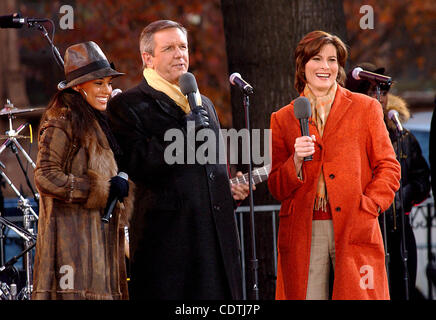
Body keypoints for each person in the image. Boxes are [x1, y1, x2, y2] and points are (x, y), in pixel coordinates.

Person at [107, 20, 250, 300]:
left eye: (183, 46)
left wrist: (230, 193)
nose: (179, 54)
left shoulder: (203, 103)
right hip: (167, 249)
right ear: (147, 58)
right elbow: (137, 164)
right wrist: (184, 132)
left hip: (215, 244)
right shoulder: (128, 105)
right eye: (169, 48)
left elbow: (211, 169)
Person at [268, 30, 401, 300]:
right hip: (304, 229)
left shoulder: (366, 108)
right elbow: (276, 186)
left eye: (332, 60)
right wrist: (295, 161)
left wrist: (370, 205)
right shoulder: (283, 118)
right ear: (302, 66)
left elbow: (389, 167)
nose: (325, 67)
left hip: (354, 222)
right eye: (317, 59)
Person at [32, 41, 134, 300]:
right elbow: (45, 176)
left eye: (109, 83)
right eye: (98, 83)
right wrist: (101, 188)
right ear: (78, 87)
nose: (107, 90)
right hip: (73, 252)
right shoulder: (62, 120)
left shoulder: (100, 122)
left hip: (100, 249)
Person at [346, 62, 431, 300]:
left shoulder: (402, 135)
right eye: (371, 90)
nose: (379, 96)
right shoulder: (348, 136)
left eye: (383, 91)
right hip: (364, 233)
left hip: (400, 234)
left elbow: (423, 180)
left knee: (402, 291)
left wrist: (408, 193)